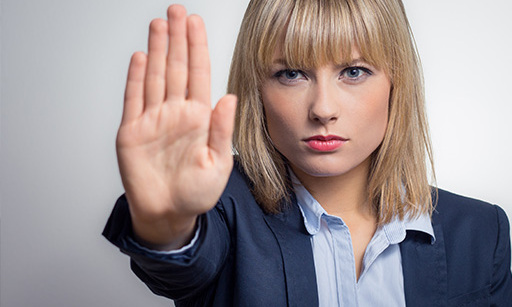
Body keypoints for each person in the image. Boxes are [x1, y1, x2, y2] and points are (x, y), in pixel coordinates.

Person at [103, 0, 512, 306]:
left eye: (354, 72)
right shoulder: (220, 214)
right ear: (257, 89)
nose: (323, 109)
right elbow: (181, 265)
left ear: (396, 83)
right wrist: (167, 222)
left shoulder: (481, 232)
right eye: (291, 74)